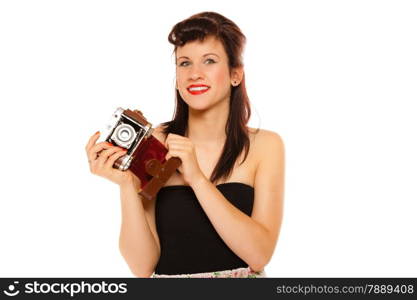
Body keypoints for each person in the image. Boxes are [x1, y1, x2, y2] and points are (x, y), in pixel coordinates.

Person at [85, 11, 285, 278]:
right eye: (184, 63)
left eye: (210, 61)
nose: (195, 74)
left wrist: (197, 179)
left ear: (235, 74)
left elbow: (259, 255)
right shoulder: (154, 143)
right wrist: (127, 186)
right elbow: (142, 268)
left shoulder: (265, 146)